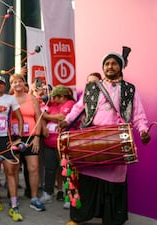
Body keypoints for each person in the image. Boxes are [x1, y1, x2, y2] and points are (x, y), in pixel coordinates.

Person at [59, 52, 151, 225]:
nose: (110, 66)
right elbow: (79, 108)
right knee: (88, 181)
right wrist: (67, 120)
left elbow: (138, 115)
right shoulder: (92, 87)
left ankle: (110, 219)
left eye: (114, 63)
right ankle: (79, 217)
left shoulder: (129, 89)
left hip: (117, 141)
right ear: (103, 67)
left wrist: (143, 130)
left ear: (120, 67)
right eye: (107, 63)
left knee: (113, 184)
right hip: (92, 140)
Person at [0, 75, 24, 222]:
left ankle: (14, 206)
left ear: (5, 86)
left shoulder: (10, 99)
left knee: (10, 171)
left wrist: (19, 138)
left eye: (1, 83)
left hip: (6, 140)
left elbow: (20, 118)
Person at [9, 74, 45, 212]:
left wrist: (37, 137)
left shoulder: (32, 98)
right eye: (14, 82)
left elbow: (38, 117)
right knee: (14, 168)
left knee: (34, 167)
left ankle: (34, 198)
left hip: (30, 136)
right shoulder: (9, 99)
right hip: (15, 136)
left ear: (24, 84)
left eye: (20, 81)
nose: (17, 84)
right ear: (11, 85)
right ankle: (14, 197)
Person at [40, 85, 76, 209]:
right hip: (49, 143)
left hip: (63, 144)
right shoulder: (52, 105)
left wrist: (46, 116)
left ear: (63, 96)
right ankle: (48, 193)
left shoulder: (70, 103)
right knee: (49, 169)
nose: (53, 99)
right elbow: (42, 117)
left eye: (55, 97)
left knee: (66, 171)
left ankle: (69, 196)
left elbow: (62, 117)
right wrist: (44, 125)